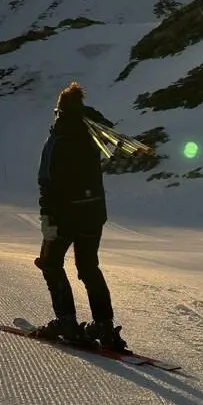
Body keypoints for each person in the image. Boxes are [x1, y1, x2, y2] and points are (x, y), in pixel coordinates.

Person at [32, 81, 128, 351]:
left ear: (60, 109)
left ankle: (66, 322)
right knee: (88, 267)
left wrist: (46, 220)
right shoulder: (91, 132)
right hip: (94, 213)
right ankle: (105, 327)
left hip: (64, 215)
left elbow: (47, 181)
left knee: (51, 263)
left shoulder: (59, 136)